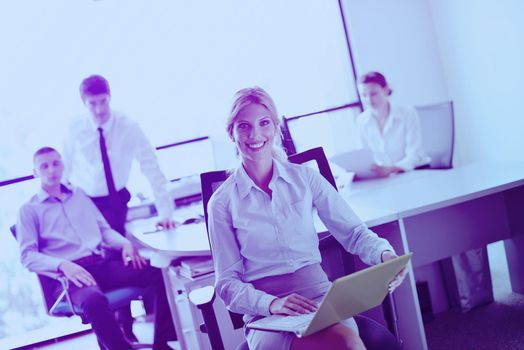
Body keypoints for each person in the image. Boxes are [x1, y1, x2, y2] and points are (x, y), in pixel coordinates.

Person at [207, 87, 407, 350]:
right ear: (231, 133)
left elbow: (354, 233)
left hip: (321, 300)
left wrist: (385, 256)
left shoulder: (305, 178)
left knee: (345, 341)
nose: (255, 134)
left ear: (276, 127)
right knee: (344, 343)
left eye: (264, 123)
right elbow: (227, 283)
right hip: (266, 314)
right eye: (244, 126)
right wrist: (272, 304)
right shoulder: (221, 202)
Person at [16, 147, 177, 350]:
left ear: (63, 165)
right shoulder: (28, 210)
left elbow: (104, 230)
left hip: (101, 264)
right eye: (44, 166)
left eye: (56, 163)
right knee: (94, 301)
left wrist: (125, 244)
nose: (51, 170)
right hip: (72, 275)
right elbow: (26, 256)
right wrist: (63, 264)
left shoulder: (79, 196)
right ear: (35, 172)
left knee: (159, 273)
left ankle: (162, 343)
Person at [63, 74, 176, 236]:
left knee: (115, 249)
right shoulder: (74, 127)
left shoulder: (129, 127)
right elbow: (64, 167)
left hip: (115, 202)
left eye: (103, 101)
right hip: (83, 200)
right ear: (83, 103)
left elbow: (152, 169)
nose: (99, 110)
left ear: (110, 97)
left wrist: (166, 214)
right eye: (92, 104)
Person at [356, 71, 430, 178]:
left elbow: (415, 155)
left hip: (416, 172)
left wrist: (392, 169)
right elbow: (363, 157)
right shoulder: (361, 121)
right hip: (387, 178)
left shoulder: (408, 114)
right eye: (364, 95)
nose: (369, 100)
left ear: (385, 90)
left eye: (374, 93)